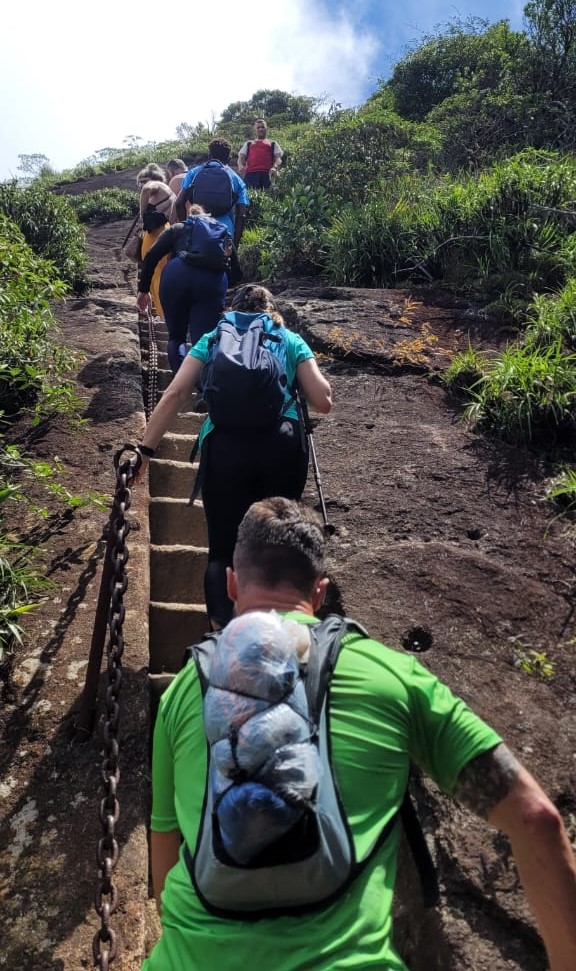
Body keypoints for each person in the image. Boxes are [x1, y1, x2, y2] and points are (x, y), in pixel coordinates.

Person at [143, 495, 576, 971]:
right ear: (321, 591)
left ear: (230, 583)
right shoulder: (392, 674)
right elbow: (536, 819)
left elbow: (165, 861)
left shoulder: (182, 690)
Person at [134, 285, 332, 628]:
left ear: (233, 309)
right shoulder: (288, 338)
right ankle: (279, 635)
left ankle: (225, 636)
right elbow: (323, 401)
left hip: (225, 450)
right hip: (281, 448)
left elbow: (176, 393)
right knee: (278, 545)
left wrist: (145, 450)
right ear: (271, 309)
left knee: (223, 552)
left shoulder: (214, 338)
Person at [135, 203, 231, 374]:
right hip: (210, 281)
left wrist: (144, 290)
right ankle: (204, 388)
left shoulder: (178, 228)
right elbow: (235, 270)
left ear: (189, 217)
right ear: (207, 217)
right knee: (204, 340)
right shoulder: (221, 232)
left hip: (176, 274)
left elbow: (151, 255)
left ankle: (180, 381)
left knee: (176, 336)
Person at [174, 138, 249, 285]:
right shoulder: (236, 179)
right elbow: (242, 214)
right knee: (225, 282)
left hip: (197, 230)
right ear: (229, 158)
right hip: (224, 234)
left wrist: (186, 228)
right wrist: (234, 245)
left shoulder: (194, 173)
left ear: (209, 156)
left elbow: (178, 203)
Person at [136, 164, 176, 320]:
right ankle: (162, 312)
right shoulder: (170, 192)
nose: (140, 187)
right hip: (164, 230)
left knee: (156, 273)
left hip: (155, 234)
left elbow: (146, 189)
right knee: (158, 273)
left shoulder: (155, 185)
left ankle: (163, 314)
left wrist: (142, 213)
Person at [237, 118, 283, 190]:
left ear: (266, 129)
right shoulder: (249, 143)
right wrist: (240, 166)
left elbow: (278, 158)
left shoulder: (273, 143)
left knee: (268, 198)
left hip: (267, 175)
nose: (260, 129)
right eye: (258, 127)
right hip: (250, 176)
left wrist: (275, 167)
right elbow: (241, 156)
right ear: (255, 130)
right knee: (249, 199)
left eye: (262, 127)